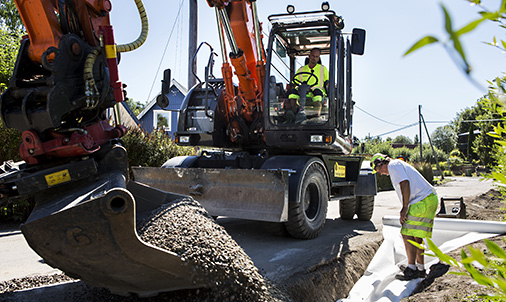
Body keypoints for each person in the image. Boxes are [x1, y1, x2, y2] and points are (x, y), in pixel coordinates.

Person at [371, 153, 438, 280]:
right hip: (428, 199)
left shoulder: (393, 165)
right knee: (417, 236)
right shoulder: (397, 165)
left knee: (407, 234)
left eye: (378, 170)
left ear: (380, 163)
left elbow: (405, 183)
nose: (380, 173)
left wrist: (405, 207)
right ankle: (420, 269)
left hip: (421, 202)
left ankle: (411, 269)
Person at [286, 48, 329, 118]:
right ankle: (293, 115)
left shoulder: (323, 69)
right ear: (309, 56)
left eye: (316, 57)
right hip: (302, 92)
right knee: (292, 94)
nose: (314, 58)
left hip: (316, 92)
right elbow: (295, 83)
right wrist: (290, 88)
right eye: (312, 56)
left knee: (317, 94)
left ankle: (316, 117)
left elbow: (328, 82)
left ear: (318, 58)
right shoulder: (301, 69)